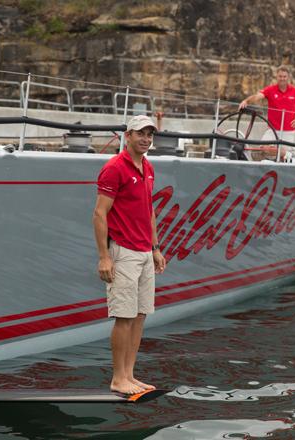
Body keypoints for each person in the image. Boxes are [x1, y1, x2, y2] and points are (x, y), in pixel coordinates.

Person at [92, 114, 167, 395]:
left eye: (150, 134)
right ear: (128, 136)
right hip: (122, 251)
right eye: (140, 133)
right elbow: (100, 214)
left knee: (139, 315)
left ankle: (130, 375)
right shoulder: (114, 168)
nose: (146, 139)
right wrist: (104, 256)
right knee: (123, 317)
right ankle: (117, 377)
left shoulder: (147, 167)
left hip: (144, 252)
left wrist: (155, 248)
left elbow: (148, 211)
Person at [239, 65, 295, 161]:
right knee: (262, 149)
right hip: (272, 129)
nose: (282, 79)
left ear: (288, 77)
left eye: (284, 76)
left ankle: (287, 154)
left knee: (281, 155)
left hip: (289, 130)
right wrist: (246, 101)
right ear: (277, 77)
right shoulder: (270, 90)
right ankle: (288, 153)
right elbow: (257, 97)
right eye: (280, 76)